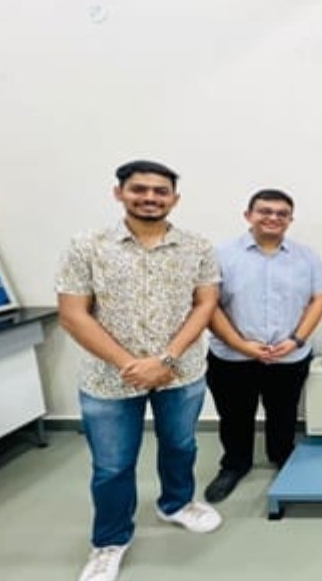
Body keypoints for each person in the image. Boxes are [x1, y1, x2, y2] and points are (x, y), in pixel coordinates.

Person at [56, 160, 223, 581]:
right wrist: (130, 365)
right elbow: (73, 314)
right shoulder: (87, 245)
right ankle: (109, 542)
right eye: (139, 189)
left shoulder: (198, 247)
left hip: (180, 372)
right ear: (119, 193)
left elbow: (205, 304)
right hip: (109, 378)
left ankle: (177, 504)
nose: (150, 197)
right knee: (112, 465)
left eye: (160, 191)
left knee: (181, 445)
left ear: (174, 199)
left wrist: (166, 359)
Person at [202, 188, 322, 503]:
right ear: (248, 215)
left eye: (281, 213)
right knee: (234, 415)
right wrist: (241, 345)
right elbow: (208, 305)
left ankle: (282, 457)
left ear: (290, 220)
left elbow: (319, 298)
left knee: (283, 413)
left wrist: (296, 340)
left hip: (289, 355)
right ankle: (235, 465)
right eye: (265, 211)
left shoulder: (306, 257)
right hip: (232, 356)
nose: (273, 218)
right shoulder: (220, 255)